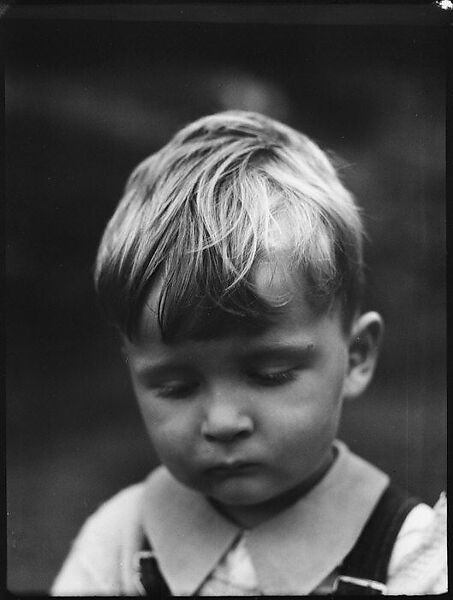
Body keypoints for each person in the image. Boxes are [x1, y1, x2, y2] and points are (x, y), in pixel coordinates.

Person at [52, 111, 447, 596]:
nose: (221, 422)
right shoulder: (119, 543)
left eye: (270, 373)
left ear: (357, 355)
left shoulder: (412, 557)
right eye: (175, 386)